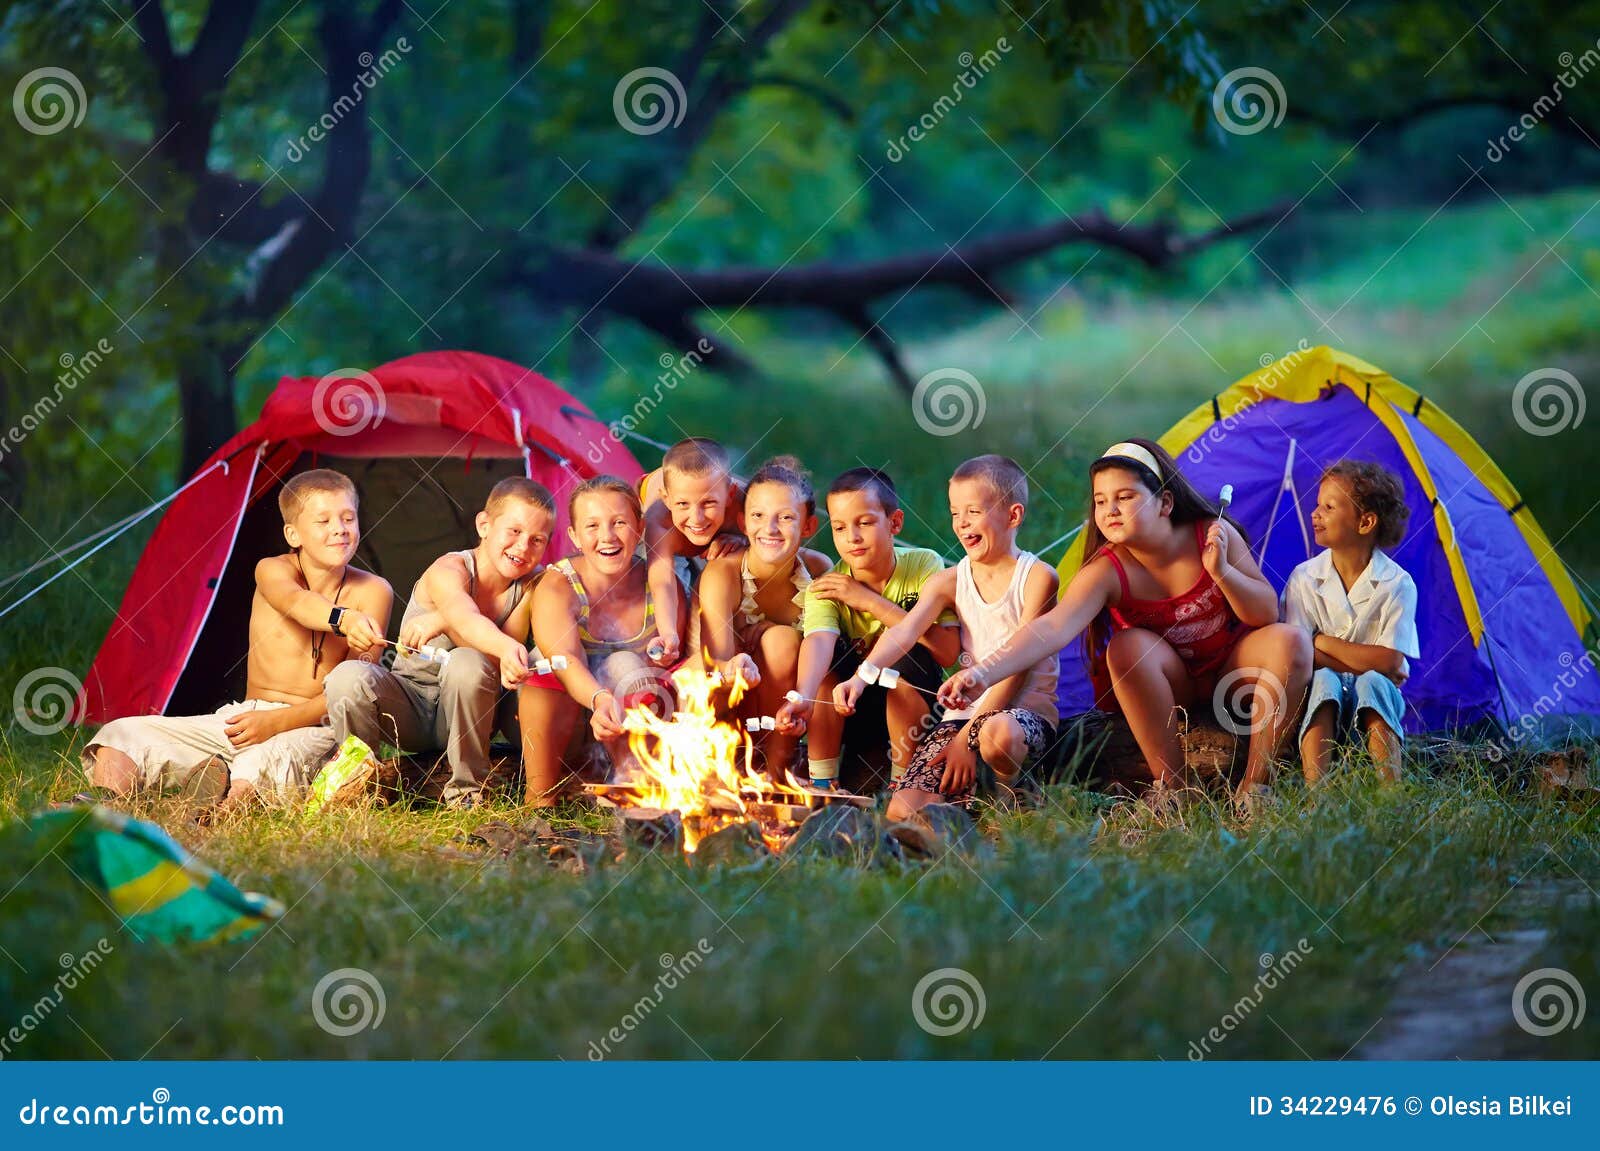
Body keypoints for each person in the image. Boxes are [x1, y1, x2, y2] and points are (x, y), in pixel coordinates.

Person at [940, 439, 1310, 813]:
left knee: (1291, 641)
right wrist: (983, 674)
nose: (1110, 510)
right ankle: (1175, 791)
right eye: (1100, 501)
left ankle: (1255, 787)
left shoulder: (1210, 534)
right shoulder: (1107, 570)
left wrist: (1223, 572)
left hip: (1233, 676)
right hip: (1173, 689)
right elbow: (1051, 628)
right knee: (1126, 646)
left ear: (1165, 503)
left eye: (1125, 497)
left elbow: (1264, 615)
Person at [83, 469, 392, 808]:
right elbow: (298, 604)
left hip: (315, 725)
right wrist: (344, 619)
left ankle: (214, 812)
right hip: (249, 718)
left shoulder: (374, 591)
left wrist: (277, 723)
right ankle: (98, 805)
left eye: (348, 517)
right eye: (324, 521)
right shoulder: (273, 570)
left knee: (257, 763)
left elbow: (352, 692)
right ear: (293, 534)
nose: (340, 529)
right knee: (122, 733)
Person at [835, 456, 1058, 818]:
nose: (962, 523)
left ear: (1013, 516)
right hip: (961, 718)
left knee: (995, 735)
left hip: (1021, 714)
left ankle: (1010, 800)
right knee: (901, 815)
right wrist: (861, 677)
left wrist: (967, 737)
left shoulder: (1037, 578)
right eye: (955, 512)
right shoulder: (949, 580)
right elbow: (906, 630)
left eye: (974, 510)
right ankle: (967, 802)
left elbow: (1021, 667)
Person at [323, 477, 553, 809]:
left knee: (469, 661)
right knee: (347, 677)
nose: (523, 547)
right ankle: (357, 785)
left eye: (537, 540)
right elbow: (464, 613)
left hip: (468, 714)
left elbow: (496, 656)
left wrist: (441, 621)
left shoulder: (529, 586)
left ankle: (467, 793)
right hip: (410, 707)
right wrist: (452, 618)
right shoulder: (450, 568)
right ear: (484, 525)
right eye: (514, 532)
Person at [775, 467, 961, 789]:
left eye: (865, 522)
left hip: (913, 708)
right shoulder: (827, 586)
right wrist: (802, 696)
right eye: (840, 527)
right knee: (824, 666)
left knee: (908, 653)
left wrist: (868, 601)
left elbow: (946, 652)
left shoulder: (923, 565)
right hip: (849, 708)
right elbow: (819, 640)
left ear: (895, 523)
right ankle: (823, 786)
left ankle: (903, 785)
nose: (852, 538)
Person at [523, 476, 684, 802]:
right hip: (560, 722)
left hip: (628, 725)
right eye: (592, 526)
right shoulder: (558, 585)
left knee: (627, 665)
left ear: (639, 528)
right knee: (542, 662)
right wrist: (599, 699)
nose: (607, 537)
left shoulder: (661, 583)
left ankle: (632, 789)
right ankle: (539, 796)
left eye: (619, 522)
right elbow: (564, 660)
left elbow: (682, 661)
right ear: (575, 536)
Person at [1283, 460, 1418, 783]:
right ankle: (1319, 794)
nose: (1315, 514)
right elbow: (1298, 654)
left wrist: (1322, 641)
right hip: (1320, 701)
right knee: (1325, 680)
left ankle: (1390, 792)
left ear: (1365, 522)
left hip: (1375, 702)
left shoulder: (1397, 584)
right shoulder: (1303, 578)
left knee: (1373, 682)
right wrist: (1371, 661)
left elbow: (1389, 661)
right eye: (1317, 505)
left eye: (1328, 507)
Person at [699, 455, 832, 779]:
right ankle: (736, 765)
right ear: (743, 523)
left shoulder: (818, 570)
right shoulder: (724, 573)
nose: (770, 529)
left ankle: (778, 771)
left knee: (793, 646)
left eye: (785, 517)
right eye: (758, 515)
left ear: (808, 526)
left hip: (791, 706)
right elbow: (716, 663)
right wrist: (737, 664)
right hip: (726, 699)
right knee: (781, 640)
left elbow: (826, 640)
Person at [641, 438, 746, 666]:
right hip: (663, 534)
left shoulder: (746, 504)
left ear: (730, 495)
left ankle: (715, 654)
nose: (696, 518)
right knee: (675, 604)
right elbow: (662, 582)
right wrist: (668, 632)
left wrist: (743, 538)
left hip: (716, 533)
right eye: (683, 505)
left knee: (725, 570)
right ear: (667, 499)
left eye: (708, 503)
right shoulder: (658, 520)